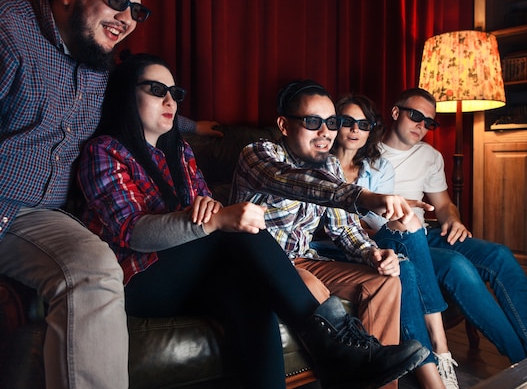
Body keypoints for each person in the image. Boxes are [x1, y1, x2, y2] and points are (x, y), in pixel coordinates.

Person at [76, 53, 429, 389]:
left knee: (249, 294)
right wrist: (210, 221)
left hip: (199, 272)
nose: (170, 101)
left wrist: (371, 252)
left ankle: (347, 360)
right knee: (241, 228)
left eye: (175, 93)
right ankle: (334, 350)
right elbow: (134, 233)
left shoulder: (180, 152)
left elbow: (209, 208)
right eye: (157, 90)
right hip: (142, 278)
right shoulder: (105, 151)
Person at [0, 0, 148, 388]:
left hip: (39, 216)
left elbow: (131, 114)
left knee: (95, 268)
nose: (127, 18)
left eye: (136, 10)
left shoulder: (96, 56)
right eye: (117, 0)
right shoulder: (8, 31)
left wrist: (193, 125)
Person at [231, 79, 428, 389]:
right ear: (284, 124)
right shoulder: (257, 154)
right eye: (312, 122)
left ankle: (376, 376)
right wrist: (363, 196)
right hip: (264, 266)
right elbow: (294, 181)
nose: (325, 132)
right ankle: (351, 366)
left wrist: (372, 253)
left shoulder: (331, 165)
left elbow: (343, 227)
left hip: (305, 259)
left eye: (331, 123)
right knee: (305, 283)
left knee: (387, 280)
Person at [380, 87, 527, 363]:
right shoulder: (365, 149)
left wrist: (453, 220)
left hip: (427, 233)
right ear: (396, 112)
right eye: (415, 116)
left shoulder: (430, 156)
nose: (421, 125)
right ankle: (525, 362)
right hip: (394, 239)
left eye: (428, 122)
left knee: (499, 255)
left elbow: (444, 204)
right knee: (456, 265)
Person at [325, 93, 458, 389]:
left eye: (364, 124)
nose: (355, 129)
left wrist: (388, 207)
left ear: (371, 129)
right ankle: (435, 371)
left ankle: (441, 347)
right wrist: (377, 205)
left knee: (408, 221)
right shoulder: (320, 163)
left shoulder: (379, 167)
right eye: (347, 122)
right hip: (332, 246)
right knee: (405, 267)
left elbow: (378, 225)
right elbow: (332, 226)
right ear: (335, 124)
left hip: (371, 238)